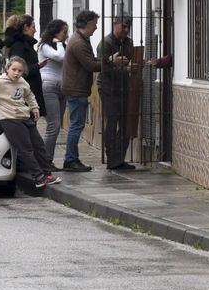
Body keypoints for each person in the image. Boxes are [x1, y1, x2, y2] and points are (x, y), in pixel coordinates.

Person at [0, 56, 62, 187]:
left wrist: (35, 107)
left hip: (25, 117)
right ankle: (38, 177)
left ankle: (47, 173)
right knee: (26, 149)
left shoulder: (22, 82)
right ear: (7, 69)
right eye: (14, 69)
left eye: (20, 71)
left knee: (39, 145)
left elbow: (29, 95)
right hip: (10, 119)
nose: (16, 73)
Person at [61, 9, 101, 172]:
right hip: (76, 89)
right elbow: (90, 65)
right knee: (76, 126)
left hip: (77, 88)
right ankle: (70, 160)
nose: (96, 28)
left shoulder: (81, 39)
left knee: (76, 125)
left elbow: (91, 61)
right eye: (95, 24)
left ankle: (72, 159)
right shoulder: (78, 42)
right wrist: (111, 62)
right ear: (88, 24)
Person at [96, 17, 138, 171]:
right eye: (124, 26)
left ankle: (120, 158)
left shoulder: (129, 42)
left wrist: (131, 65)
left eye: (128, 27)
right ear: (115, 25)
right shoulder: (105, 43)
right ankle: (111, 158)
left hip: (124, 86)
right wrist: (124, 68)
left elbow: (130, 61)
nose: (126, 30)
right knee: (112, 120)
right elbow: (103, 67)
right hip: (108, 87)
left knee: (125, 122)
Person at [38, 18, 69, 160]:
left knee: (57, 126)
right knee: (53, 126)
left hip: (61, 88)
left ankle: (47, 158)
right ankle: (46, 160)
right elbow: (61, 57)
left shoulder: (60, 45)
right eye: (64, 32)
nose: (66, 35)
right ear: (55, 33)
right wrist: (60, 43)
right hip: (49, 86)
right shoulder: (44, 46)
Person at [2, 14, 45, 114]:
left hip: (29, 92)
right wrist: (38, 66)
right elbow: (18, 70)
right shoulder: (19, 46)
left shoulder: (26, 44)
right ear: (25, 27)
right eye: (33, 27)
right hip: (24, 94)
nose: (35, 30)